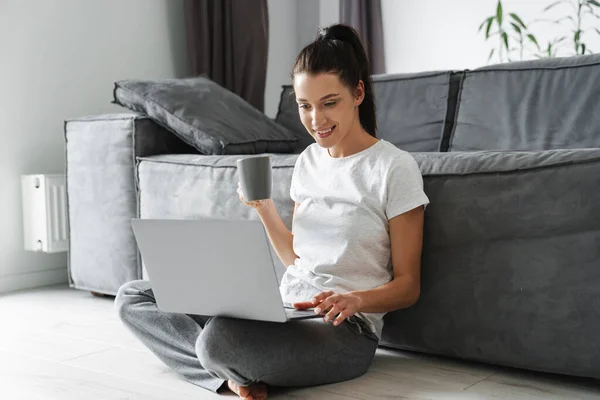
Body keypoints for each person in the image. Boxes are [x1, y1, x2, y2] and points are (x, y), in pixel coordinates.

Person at [114, 23, 430, 400]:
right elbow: (296, 258)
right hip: (284, 309)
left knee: (218, 340)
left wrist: (356, 300)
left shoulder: (394, 167)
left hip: (344, 331)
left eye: (329, 103)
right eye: (305, 106)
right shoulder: (308, 161)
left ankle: (226, 366)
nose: (316, 120)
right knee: (134, 296)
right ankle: (231, 376)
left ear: (357, 93)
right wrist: (263, 209)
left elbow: (408, 286)